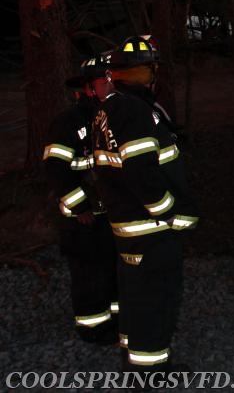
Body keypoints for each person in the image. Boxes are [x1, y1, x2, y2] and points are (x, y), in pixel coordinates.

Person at [91, 36, 198, 378]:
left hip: (131, 227)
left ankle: (137, 363)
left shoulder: (112, 109)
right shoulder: (133, 110)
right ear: (147, 72)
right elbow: (140, 173)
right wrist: (168, 212)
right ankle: (151, 374)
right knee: (155, 300)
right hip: (151, 230)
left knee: (136, 299)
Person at [42, 56, 118, 346]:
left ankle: (117, 322)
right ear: (88, 88)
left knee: (112, 271)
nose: (111, 87)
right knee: (90, 276)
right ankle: (93, 329)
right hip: (82, 221)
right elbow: (55, 170)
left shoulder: (112, 118)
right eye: (105, 82)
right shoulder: (67, 124)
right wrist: (80, 207)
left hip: (111, 214)